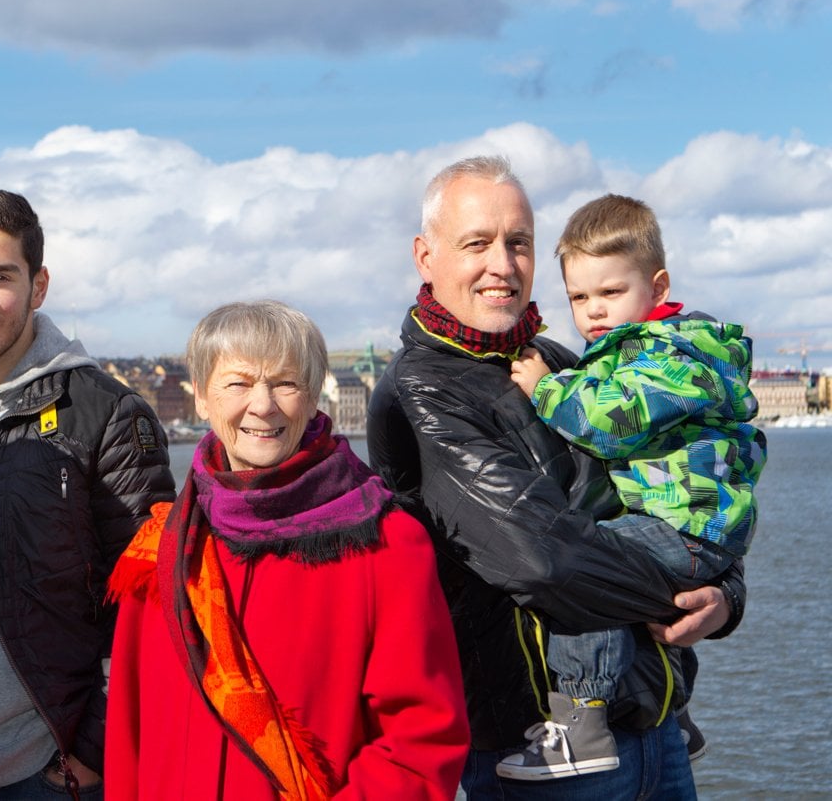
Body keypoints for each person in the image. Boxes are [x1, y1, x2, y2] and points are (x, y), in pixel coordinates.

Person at [366, 156, 746, 800]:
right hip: (536, 749)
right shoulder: (422, 388)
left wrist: (726, 597)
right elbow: (545, 565)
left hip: (656, 731)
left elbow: (665, 494)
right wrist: (682, 587)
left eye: (519, 243)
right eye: (477, 243)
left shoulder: (564, 363)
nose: (503, 264)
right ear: (425, 256)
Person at [105, 300, 470, 799]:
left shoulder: (388, 543)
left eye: (286, 382)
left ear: (313, 395)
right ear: (202, 400)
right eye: (238, 383)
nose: (263, 404)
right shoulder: (162, 548)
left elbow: (420, 742)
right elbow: (129, 732)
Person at [0, 187, 175, 800]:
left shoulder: (104, 414)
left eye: (0, 277)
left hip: (44, 773)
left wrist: (93, 751)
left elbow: (156, 605)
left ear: (38, 286)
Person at [499, 193, 764, 780]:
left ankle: (582, 718)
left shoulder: (663, 357)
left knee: (585, 566)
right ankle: (675, 708)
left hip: (682, 523)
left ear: (658, 285)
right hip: (694, 523)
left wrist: (547, 388)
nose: (592, 310)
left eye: (610, 292)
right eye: (578, 297)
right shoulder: (642, 350)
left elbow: (608, 422)